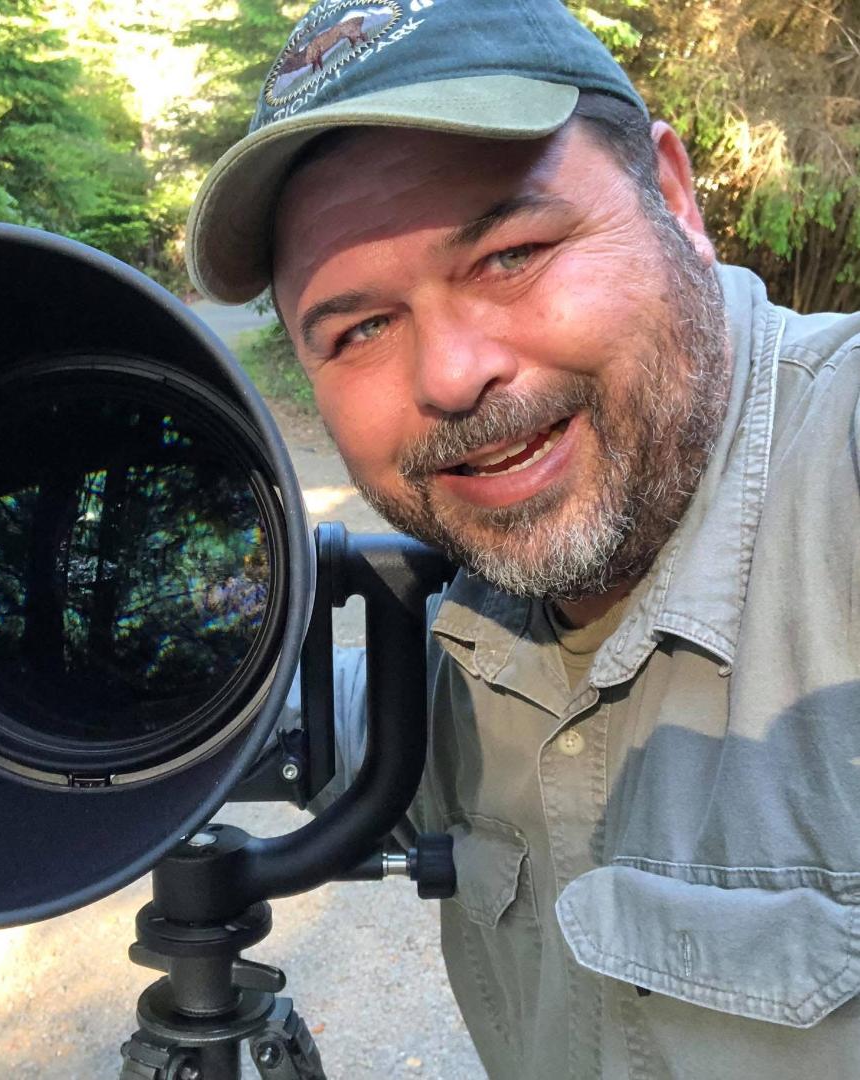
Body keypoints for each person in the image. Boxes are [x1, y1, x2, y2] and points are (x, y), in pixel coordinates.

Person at [186, 2, 860, 1077]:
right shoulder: (474, 633)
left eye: (512, 254)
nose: (450, 376)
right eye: (359, 328)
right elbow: (354, 726)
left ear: (675, 199)